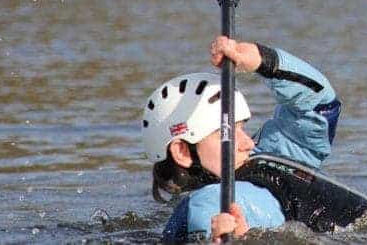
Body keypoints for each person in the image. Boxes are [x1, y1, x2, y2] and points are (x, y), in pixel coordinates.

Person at [141, 36, 341, 242]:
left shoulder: (273, 157)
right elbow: (205, 213)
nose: (249, 143)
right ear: (182, 152)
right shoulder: (205, 203)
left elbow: (320, 105)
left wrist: (264, 61)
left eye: (242, 128)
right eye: (227, 132)